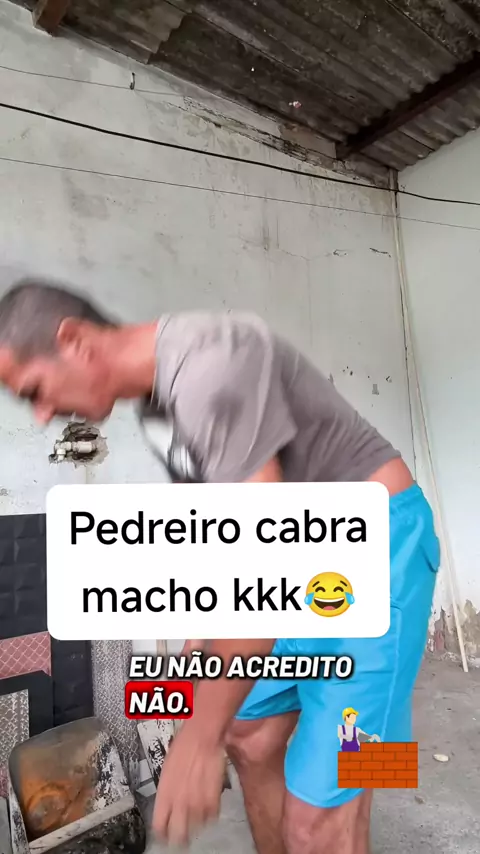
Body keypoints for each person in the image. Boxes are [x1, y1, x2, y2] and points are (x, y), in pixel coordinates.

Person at [0, 279, 440, 854]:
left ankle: (356, 794)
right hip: (300, 565)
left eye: (34, 390)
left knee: (324, 815)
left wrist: (198, 737)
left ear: (74, 340)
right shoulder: (157, 404)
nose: (41, 415)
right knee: (246, 729)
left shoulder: (211, 363)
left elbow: (261, 562)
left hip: (379, 555)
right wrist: (203, 639)